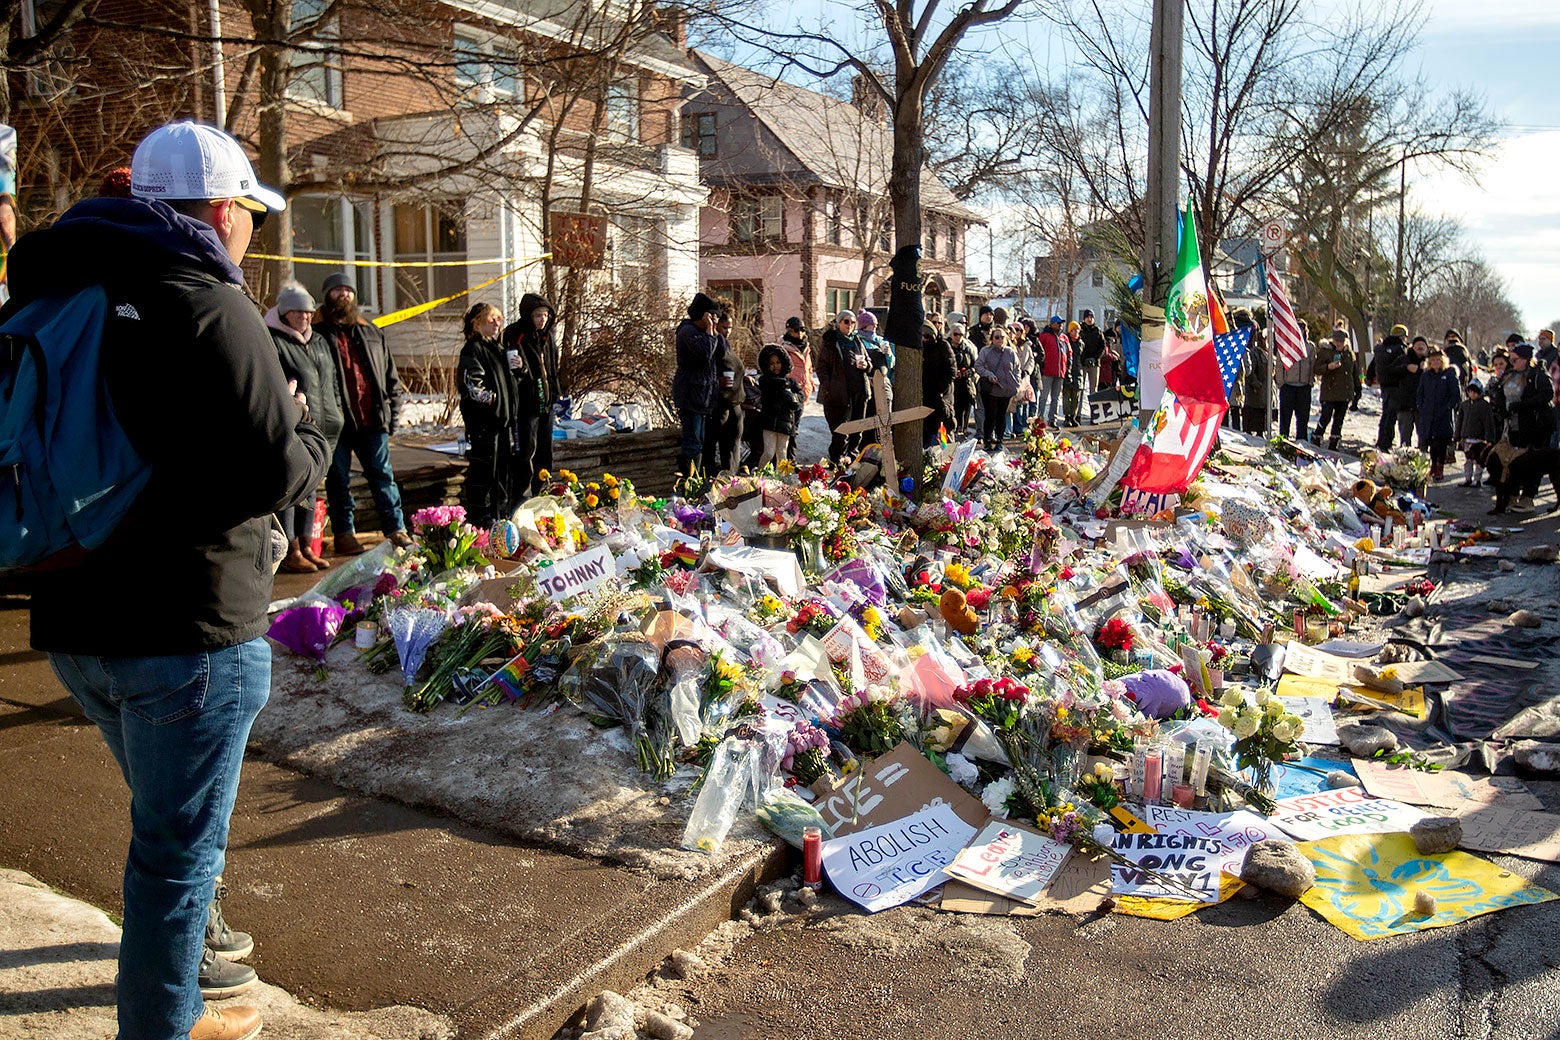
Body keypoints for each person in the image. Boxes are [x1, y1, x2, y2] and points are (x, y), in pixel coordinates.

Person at [7, 120, 329, 1040]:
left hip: (77, 623)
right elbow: (272, 468)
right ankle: (168, 1021)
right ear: (224, 211)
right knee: (173, 859)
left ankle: (202, 974)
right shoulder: (203, 299)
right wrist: (303, 426)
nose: (250, 237)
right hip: (187, 629)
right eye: (250, 219)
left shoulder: (61, 285)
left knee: (167, 831)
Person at [315, 271, 411, 554]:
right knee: (338, 480)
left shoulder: (370, 331)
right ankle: (345, 533)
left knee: (383, 477)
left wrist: (392, 415)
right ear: (327, 296)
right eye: (337, 290)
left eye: (348, 290)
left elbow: (390, 377)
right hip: (337, 423)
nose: (343, 294)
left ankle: (396, 530)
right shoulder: (317, 333)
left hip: (371, 419)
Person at [266, 281, 342, 571]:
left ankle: (307, 545)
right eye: (298, 313)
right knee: (291, 487)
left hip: (321, 427)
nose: (305, 318)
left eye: (309, 313)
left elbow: (331, 382)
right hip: (291, 426)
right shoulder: (274, 340)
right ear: (285, 313)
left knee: (310, 489)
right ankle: (290, 550)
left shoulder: (318, 341)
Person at [457, 302, 522, 528]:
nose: (498, 323)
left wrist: (519, 370)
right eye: (491, 318)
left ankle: (500, 513)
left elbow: (511, 383)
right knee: (484, 472)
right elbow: (472, 388)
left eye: (499, 318)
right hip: (485, 424)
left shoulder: (498, 348)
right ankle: (481, 517)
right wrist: (494, 402)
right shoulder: (473, 350)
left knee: (503, 472)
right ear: (477, 323)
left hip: (503, 423)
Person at [499, 292, 561, 497]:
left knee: (545, 450)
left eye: (545, 315)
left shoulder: (548, 337)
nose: (542, 320)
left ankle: (542, 491)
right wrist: (523, 368)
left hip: (546, 402)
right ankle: (519, 495)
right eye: (537, 316)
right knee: (525, 450)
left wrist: (556, 392)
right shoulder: (517, 334)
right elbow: (514, 368)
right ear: (528, 316)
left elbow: (552, 369)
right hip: (526, 403)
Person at [1489, 341, 1556, 510]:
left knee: (1531, 462)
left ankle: (1528, 498)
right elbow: (1499, 392)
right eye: (1511, 360)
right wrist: (1501, 408)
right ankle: (1512, 496)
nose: (1513, 363)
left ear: (1526, 359)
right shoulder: (1510, 374)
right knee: (1512, 460)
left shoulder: (1537, 374)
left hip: (1534, 425)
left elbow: (1548, 393)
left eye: (1516, 360)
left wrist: (1524, 404)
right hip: (1512, 425)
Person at [672, 291, 722, 478]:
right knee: (692, 443)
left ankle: (696, 479)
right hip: (691, 395)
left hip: (703, 397)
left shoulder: (706, 333)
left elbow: (722, 352)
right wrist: (709, 331)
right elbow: (704, 353)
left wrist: (714, 331)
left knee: (701, 441)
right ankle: (689, 482)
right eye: (712, 315)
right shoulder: (687, 331)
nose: (714, 319)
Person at [815, 309, 871, 464]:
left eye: (853, 322)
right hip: (838, 395)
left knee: (857, 430)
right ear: (839, 323)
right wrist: (830, 386)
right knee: (841, 431)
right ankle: (836, 461)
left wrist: (866, 365)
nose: (850, 325)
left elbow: (869, 363)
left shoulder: (857, 341)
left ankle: (852, 460)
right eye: (846, 321)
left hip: (859, 392)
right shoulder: (831, 342)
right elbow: (821, 368)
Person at [704, 310, 746, 473]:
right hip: (719, 405)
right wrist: (716, 381)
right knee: (711, 445)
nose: (727, 331)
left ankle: (730, 481)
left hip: (734, 403)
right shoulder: (711, 345)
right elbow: (704, 372)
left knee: (732, 448)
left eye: (730, 327)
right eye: (724, 327)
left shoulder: (726, 346)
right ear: (716, 326)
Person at [754, 343, 804, 469]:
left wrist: (791, 397)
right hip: (769, 421)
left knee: (782, 453)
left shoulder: (791, 383)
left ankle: (782, 481)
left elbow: (799, 400)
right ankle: (758, 476)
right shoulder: (765, 381)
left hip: (785, 422)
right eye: (771, 363)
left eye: (777, 362)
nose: (775, 366)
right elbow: (763, 397)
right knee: (769, 452)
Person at [1415, 346, 1460, 481]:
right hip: (1428, 415)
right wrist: (1422, 407)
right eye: (1433, 360)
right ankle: (1432, 466)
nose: (1435, 362)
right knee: (1431, 442)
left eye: (1438, 360)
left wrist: (1447, 407)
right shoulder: (1426, 376)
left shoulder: (1449, 375)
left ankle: (1440, 467)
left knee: (1441, 443)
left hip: (1443, 415)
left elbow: (1455, 395)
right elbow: (1420, 393)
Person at [974, 325, 1021, 451]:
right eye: (997, 337)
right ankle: (987, 440)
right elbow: (978, 366)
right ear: (992, 338)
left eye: (1002, 337)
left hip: (1006, 390)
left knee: (1001, 416)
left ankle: (1000, 440)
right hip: (991, 390)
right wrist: (989, 375)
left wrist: (1016, 384)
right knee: (990, 415)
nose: (1000, 339)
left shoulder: (1010, 352)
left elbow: (1017, 369)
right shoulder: (986, 351)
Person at [1313, 328, 1356, 451]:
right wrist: (1328, 367)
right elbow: (1316, 369)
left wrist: (1357, 390)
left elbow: (1354, 372)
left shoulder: (1349, 354)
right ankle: (1317, 437)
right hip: (1330, 392)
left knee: (1339, 419)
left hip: (1345, 392)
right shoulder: (1326, 351)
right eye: (1337, 341)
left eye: (1342, 341)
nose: (1339, 343)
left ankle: (1334, 443)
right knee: (1325, 416)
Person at [1274, 318, 1314, 440]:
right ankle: (1283, 438)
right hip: (1288, 385)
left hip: (1304, 386)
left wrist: (1310, 381)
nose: (1300, 331)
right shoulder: (1286, 345)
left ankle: (1301, 440)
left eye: (1302, 329)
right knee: (1285, 417)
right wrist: (1281, 382)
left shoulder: (1310, 347)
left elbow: (1312, 364)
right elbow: (1280, 365)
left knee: (1303, 417)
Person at [1374, 324, 1411, 450]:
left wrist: (1369, 379)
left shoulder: (1380, 349)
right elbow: (1402, 367)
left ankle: (1381, 440)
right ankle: (1386, 442)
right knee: (1391, 416)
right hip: (1396, 386)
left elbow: (1372, 366)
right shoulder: (1401, 349)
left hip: (1384, 385)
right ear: (1402, 337)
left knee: (1385, 414)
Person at [1455, 380, 1498, 487]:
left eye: (1475, 392)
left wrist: (1489, 438)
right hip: (1466, 438)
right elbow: (1459, 421)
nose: (1472, 394)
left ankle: (1477, 479)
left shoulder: (1484, 405)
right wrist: (1457, 436)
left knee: (1478, 461)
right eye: (1470, 391)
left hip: (1479, 439)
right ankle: (1467, 478)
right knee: (1468, 460)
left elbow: (1489, 422)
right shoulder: (1464, 405)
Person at [921, 318, 957, 445]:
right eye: (921, 336)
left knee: (944, 425)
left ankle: (946, 452)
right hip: (925, 394)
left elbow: (951, 369)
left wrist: (941, 388)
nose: (924, 339)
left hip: (942, 393)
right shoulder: (919, 349)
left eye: (927, 336)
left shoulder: (943, 346)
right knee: (927, 429)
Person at [1234, 309, 1267, 434]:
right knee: (1250, 399)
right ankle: (1255, 429)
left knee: (1236, 402)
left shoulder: (1234, 322)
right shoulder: (1253, 324)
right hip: (1250, 353)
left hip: (1236, 352)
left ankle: (1239, 429)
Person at [1037, 315, 1069, 426]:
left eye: (1062, 323)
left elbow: (1068, 353)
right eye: (1058, 323)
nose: (1061, 325)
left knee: (1056, 398)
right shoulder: (1045, 336)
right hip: (1047, 372)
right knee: (1044, 397)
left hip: (1060, 372)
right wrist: (1041, 367)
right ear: (1052, 324)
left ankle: (1052, 420)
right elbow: (1039, 352)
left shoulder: (1064, 338)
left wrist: (1067, 366)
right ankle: (1039, 420)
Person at [950, 322, 978, 436]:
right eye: (955, 334)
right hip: (951, 386)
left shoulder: (968, 348)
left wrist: (965, 372)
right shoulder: (946, 347)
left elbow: (975, 366)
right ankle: (954, 432)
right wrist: (952, 373)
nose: (958, 337)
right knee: (953, 412)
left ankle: (963, 431)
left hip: (966, 385)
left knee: (965, 410)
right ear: (951, 334)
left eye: (960, 334)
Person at [857, 308, 894, 380]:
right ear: (864, 326)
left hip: (881, 380)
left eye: (876, 324)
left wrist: (889, 354)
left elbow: (891, 364)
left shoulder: (881, 340)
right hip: (864, 379)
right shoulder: (856, 339)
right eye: (873, 324)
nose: (875, 326)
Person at [1076, 308, 1105, 396]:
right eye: (1088, 317)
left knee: (1094, 389)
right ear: (1084, 318)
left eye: (1091, 317)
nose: (1090, 319)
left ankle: (1093, 409)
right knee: (1080, 388)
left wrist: (1095, 358)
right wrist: (1083, 359)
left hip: (1095, 364)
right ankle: (1079, 409)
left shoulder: (1098, 331)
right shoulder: (1079, 330)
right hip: (1082, 363)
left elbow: (1102, 347)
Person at [1062, 319, 1086, 425]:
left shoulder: (1081, 343)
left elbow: (1083, 356)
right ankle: (1067, 416)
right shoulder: (1065, 342)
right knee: (1067, 395)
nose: (1076, 332)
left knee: (1076, 396)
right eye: (1074, 330)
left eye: (1077, 330)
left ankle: (1073, 416)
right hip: (1068, 370)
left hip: (1078, 371)